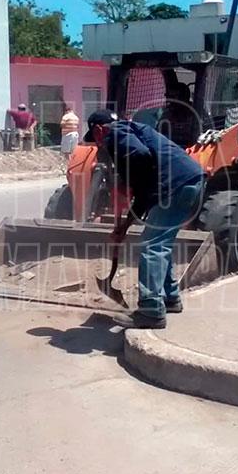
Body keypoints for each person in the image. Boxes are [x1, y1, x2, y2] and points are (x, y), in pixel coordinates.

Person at [85, 110, 206, 329]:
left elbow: (140, 156)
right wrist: (124, 227)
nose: (99, 144)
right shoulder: (134, 131)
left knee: (152, 245)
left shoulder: (115, 133)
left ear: (99, 130)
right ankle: (170, 298)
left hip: (175, 185)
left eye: (95, 138)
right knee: (161, 242)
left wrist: (127, 178)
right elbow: (143, 197)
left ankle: (151, 312)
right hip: (190, 181)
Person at [157, 82, 201, 148]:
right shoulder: (167, 114)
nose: (169, 100)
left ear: (183, 98)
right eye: (168, 96)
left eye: (173, 97)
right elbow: (158, 135)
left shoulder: (196, 113)